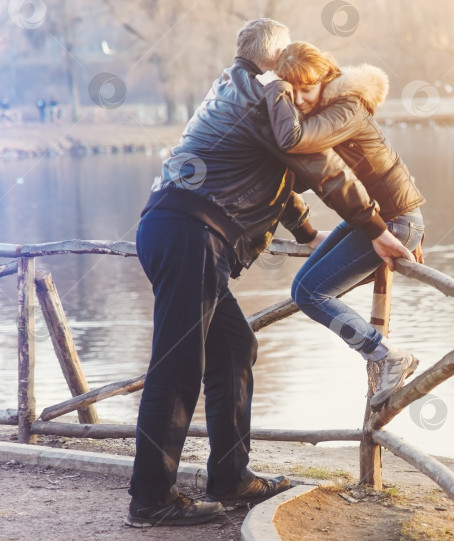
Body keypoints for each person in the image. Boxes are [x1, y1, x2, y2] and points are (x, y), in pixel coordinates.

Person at [127, 19, 413, 528]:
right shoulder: (265, 98)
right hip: (191, 234)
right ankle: (151, 500)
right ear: (271, 63)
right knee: (176, 369)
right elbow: (320, 171)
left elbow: (271, 172)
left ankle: (232, 478)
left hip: (176, 230)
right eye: (285, 67)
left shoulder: (235, 86)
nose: (291, 76)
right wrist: (374, 227)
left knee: (235, 347)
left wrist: (307, 236)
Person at [261, 41, 426, 411]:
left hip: (394, 222)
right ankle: (383, 353)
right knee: (305, 287)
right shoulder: (329, 111)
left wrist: (274, 91)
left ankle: (385, 354)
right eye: (293, 92)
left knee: (310, 294)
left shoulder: (347, 107)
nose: (300, 100)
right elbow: (301, 175)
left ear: (326, 78)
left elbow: (298, 142)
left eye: (306, 90)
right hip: (375, 220)